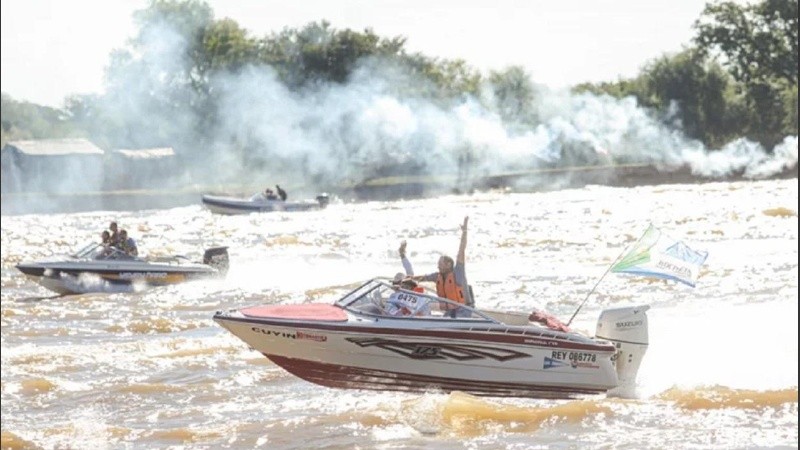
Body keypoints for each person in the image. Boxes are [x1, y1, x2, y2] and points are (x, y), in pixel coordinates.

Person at [407, 216, 473, 318]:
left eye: (440, 264)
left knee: (451, 324)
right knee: (442, 320)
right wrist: (410, 278)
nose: (438, 266)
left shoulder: (458, 272)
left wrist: (464, 232)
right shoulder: (437, 276)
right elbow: (423, 277)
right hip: (450, 310)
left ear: (449, 264)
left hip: (463, 309)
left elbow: (461, 250)